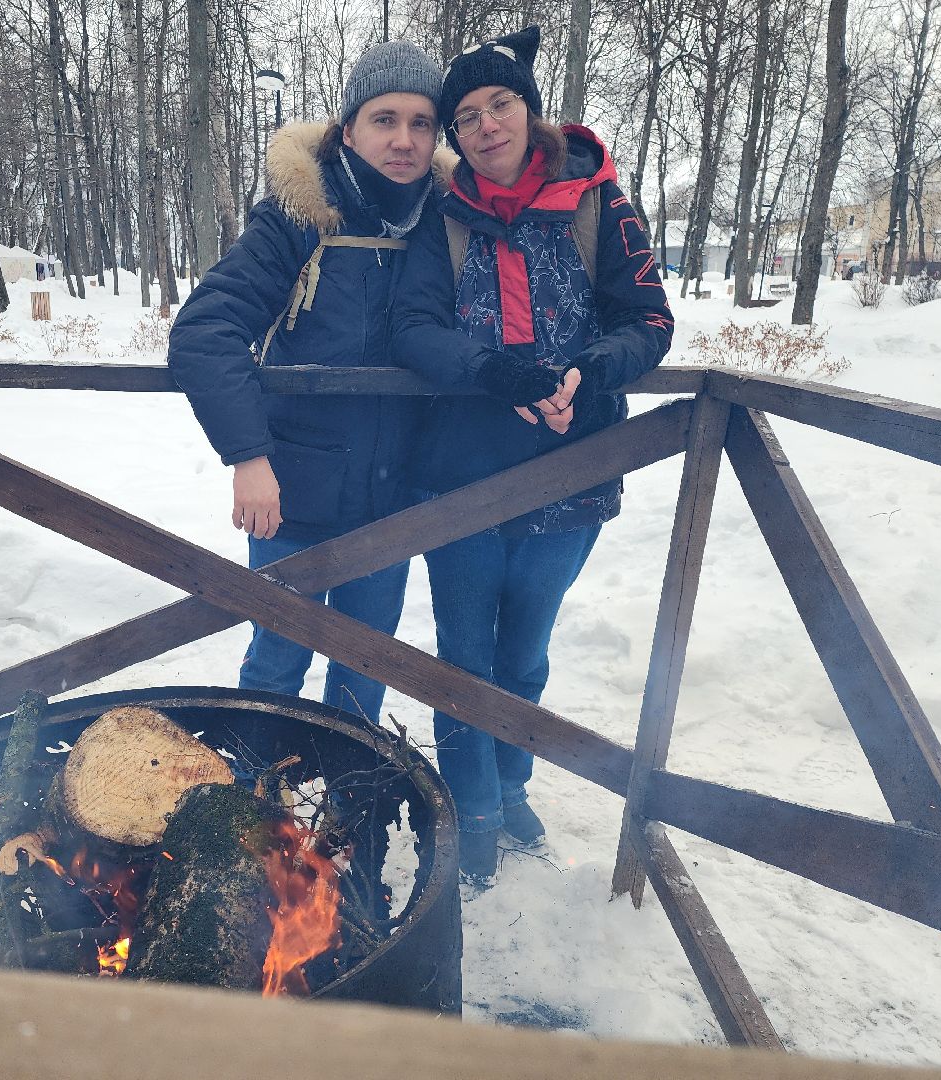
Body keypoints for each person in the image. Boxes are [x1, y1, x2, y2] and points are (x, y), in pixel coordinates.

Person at [390, 27, 674, 884]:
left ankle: (510, 787)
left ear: (531, 109)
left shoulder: (599, 203)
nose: (486, 126)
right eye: (467, 116)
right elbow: (413, 326)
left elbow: (648, 318)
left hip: (572, 475)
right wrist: (489, 369)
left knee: (523, 656)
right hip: (459, 479)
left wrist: (595, 373)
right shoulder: (440, 215)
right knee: (462, 660)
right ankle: (471, 811)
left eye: (500, 104)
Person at [168, 41, 448, 724]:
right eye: (384, 119)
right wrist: (248, 456)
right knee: (277, 663)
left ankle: (351, 789)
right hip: (294, 493)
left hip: (395, 496)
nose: (404, 139)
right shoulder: (297, 219)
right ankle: (255, 781)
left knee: (366, 666)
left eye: (421, 122)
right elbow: (206, 331)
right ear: (348, 130)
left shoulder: (446, 222)